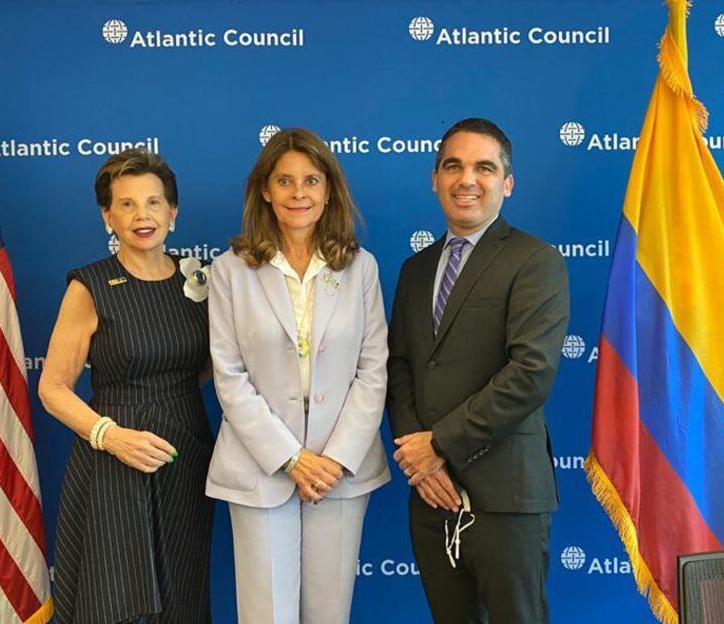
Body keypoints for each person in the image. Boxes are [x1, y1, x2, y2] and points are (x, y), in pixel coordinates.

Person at [387, 118, 570, 624]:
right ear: (435, 178)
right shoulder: (414, 270)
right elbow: (399, 368)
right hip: (432, 496)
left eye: (484, 168)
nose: (466, 179)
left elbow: (530, 374)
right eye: (453, 166)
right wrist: (421, 462)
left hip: (505, 498)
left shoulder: (535, 261)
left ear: (507, 183)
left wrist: (439, 445)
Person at [206, 128, 390, 624]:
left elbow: (373, 370)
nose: (298, 193)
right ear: (265, 190)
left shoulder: (361, 268)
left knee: (330, 614)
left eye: (311, 180)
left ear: (329, 189)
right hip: (261, 467)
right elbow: (229, 375)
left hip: (339, 471)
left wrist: (334, 460)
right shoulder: (229, 271)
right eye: (284, 181)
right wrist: (291, 458)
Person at [40, 148, 214, 624]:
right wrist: (111, 436)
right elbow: (53, 388)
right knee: (116, 599)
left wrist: (168, 399)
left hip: (184, 454)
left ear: (173, 211)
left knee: (183, 596)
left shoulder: (200, 279)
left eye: (154, 202)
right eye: (127, 204)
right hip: (113, 463)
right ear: (108, 216)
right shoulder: (89, 286)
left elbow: (205, 366)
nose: (143, 216)